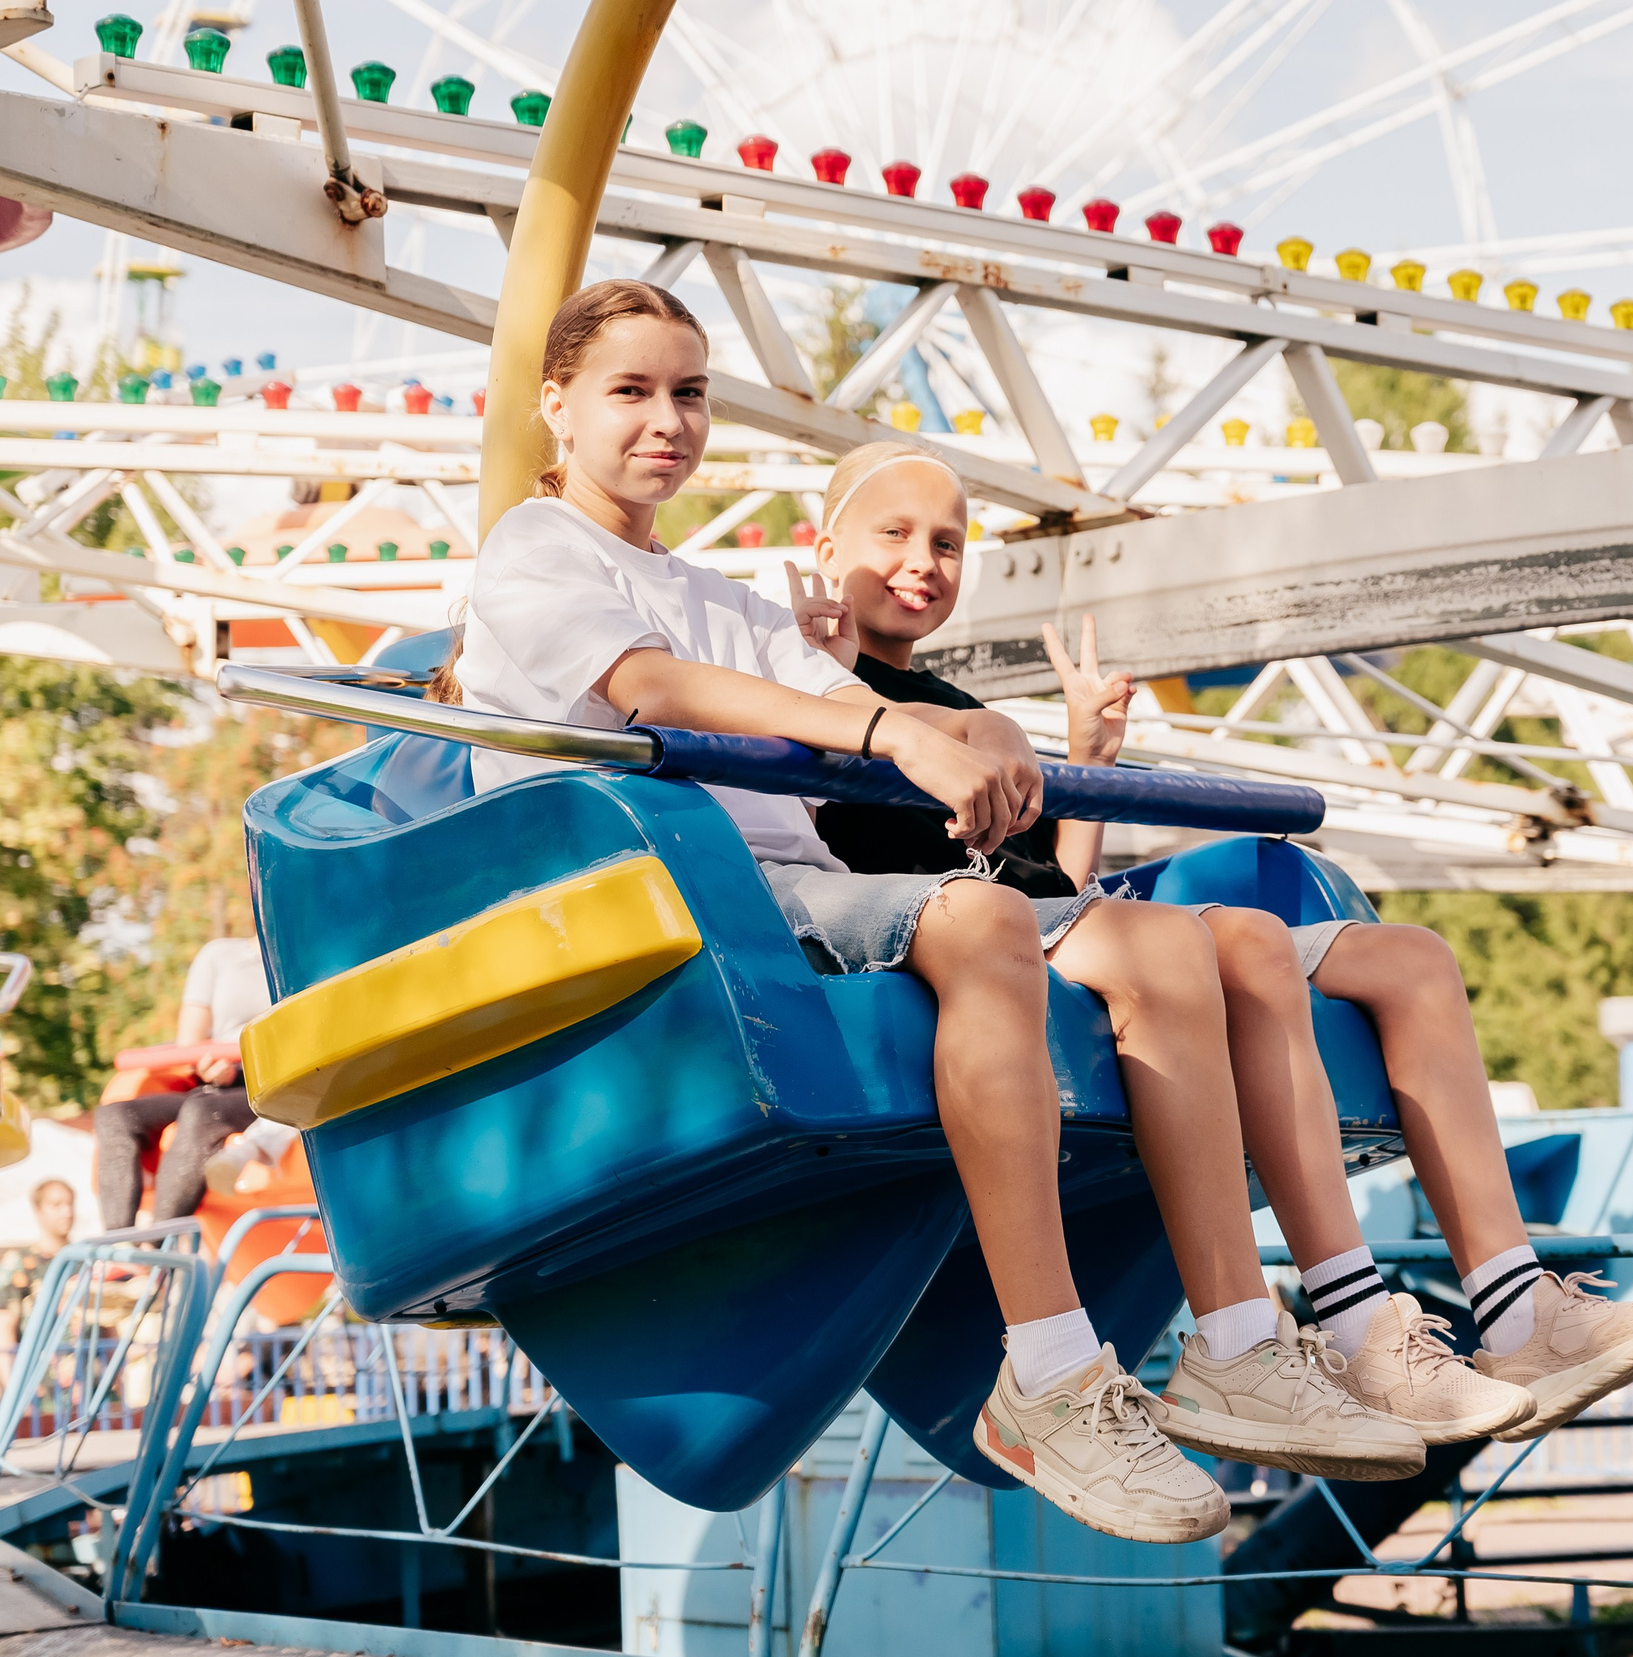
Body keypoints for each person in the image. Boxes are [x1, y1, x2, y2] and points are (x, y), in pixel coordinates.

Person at [443, 280, 1421, 1544]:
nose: (667, 421)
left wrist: (999, 732)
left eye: (688, 392)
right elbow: (650, 684)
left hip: (777, 892)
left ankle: (1233, 1337)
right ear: (555, 403)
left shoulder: (723, 596)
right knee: (975, 920)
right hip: (652, 893)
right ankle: (1053, 1364)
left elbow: (867, 689)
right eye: (632, 390)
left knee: (1130, 933)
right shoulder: (535, 551)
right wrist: (888, 726)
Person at [797, 443, 1633, 1443]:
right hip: (953, 942)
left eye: (947, 541)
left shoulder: (972, 713)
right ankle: (1355, 1322)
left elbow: (1051, 886)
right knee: (1242, 940)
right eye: (893, 534)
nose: (922, 560)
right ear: (825, 541)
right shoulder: (794, 683)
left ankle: (1516, 1304)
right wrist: (831, 676)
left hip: (1052, 923)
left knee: (1409, 959)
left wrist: (1085, 757)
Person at [95, 937, 270, 1229]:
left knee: (202, 1113)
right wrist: (208, 1066)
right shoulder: (220, 954)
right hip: (222, 1078)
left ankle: (159, 1252)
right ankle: (118, 1245)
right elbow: (190, 1043)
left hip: (272, 1084)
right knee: (114, 1116)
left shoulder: (303, 954)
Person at [0, 1180, 76, 1348]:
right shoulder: (19, 1262)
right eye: (57, 1205)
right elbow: (5, 1329)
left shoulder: (84, 1260)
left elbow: (107, 1321)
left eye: (70, 1203)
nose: (67, 1212)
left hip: (93, 1369)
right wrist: (12, 1374)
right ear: (38, 1210)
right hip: (41, 1371)